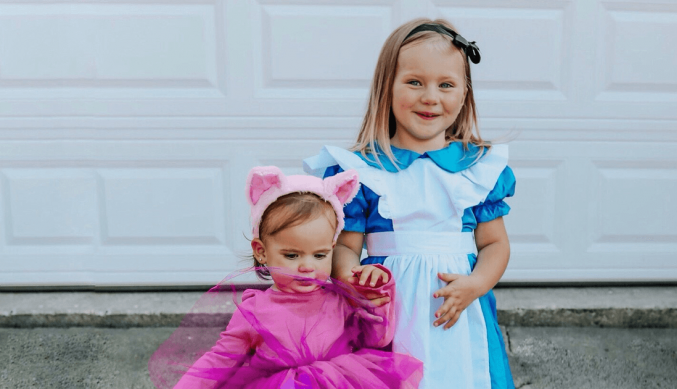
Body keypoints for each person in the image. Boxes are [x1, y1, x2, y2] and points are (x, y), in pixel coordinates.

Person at [303, 18, 516, 389]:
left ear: (464, 94)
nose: (430, 97)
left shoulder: (477, 169)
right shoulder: (363, 171)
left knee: (465, 376)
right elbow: (344, 248)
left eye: (446, 85)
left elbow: (495, 244)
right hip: (387, 311)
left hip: (457, 311)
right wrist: (356, 280)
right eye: (414, 82)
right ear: (387, 89)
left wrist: (476, 284)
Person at [149, 166, 422, 389]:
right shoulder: (255, 311)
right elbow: (221, 359)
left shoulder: (340, 300)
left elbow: (375, 340)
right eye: (292, 255)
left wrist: (375, 299)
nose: (306, 266)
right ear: (262, 252)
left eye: (319, 255)